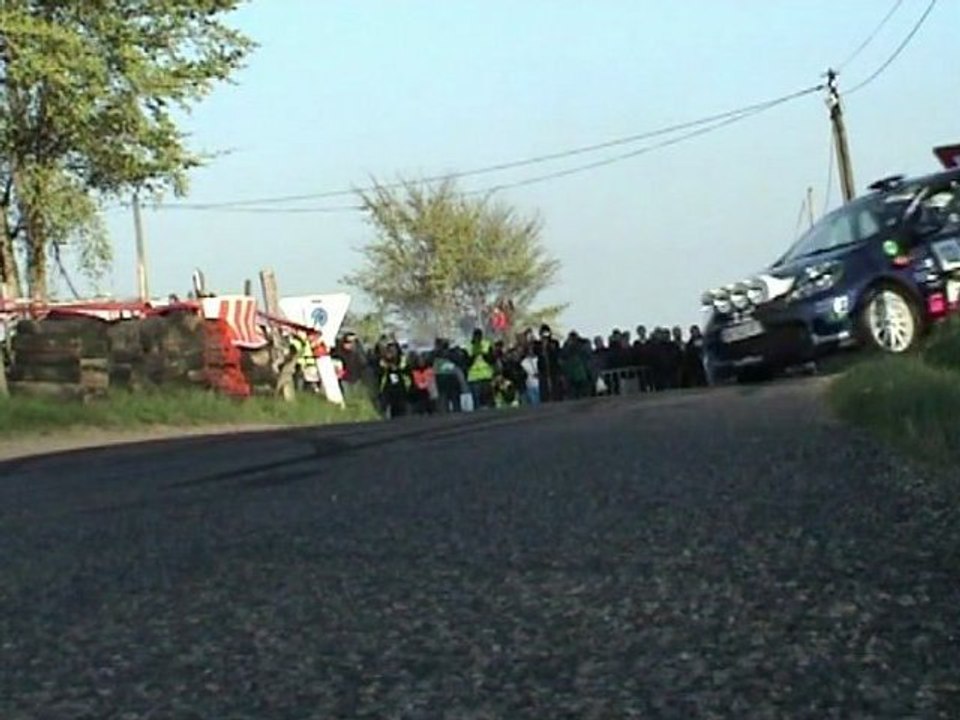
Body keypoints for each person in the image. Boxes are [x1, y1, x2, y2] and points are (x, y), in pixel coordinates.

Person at [466, 328, 496, 409]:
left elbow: (492, 360)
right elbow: (466, 362)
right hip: (474, 378)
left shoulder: (486, 345)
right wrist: (474, 354)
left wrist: (483, 354)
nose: (478, 339)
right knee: (477, 402)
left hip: (486, 376)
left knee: (489, 400)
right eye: (476, 337)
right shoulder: (468, 347)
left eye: (479, 337)